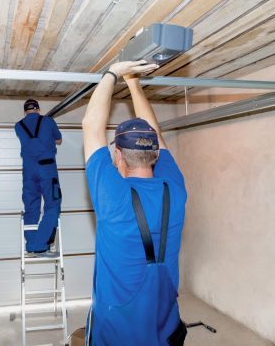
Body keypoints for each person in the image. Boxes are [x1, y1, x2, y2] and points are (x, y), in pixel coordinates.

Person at [82, 61, 188, 345]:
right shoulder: (174, 189)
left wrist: (114, 71)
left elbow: (91, 126)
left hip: (117, 331)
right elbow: (157, 135)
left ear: (118, 154)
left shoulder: (112, 197)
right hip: (164, 323)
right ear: (155, 154)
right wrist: (132, 82)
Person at [15, 99, 63, 253]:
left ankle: (31, 244)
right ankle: (41, 244)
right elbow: (59, 139)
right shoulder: (48, 121)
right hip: (47, 168)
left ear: (25, 111)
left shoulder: (18, 126)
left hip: (29, 171)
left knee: (31, 206)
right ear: (38, 109)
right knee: (53, 203)